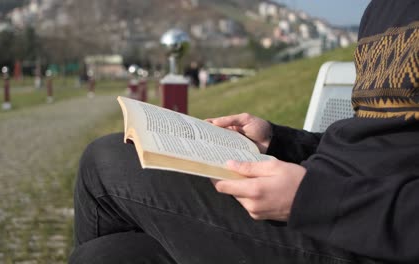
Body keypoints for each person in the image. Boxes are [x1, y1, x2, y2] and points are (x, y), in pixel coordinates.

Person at [69, 1, 419, 263]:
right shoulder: (384, 8)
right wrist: (280, 142)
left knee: (107, 162)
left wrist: (316, 200)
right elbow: (374, 145)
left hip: (364, 234)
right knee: (106, 255)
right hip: (327, 197)